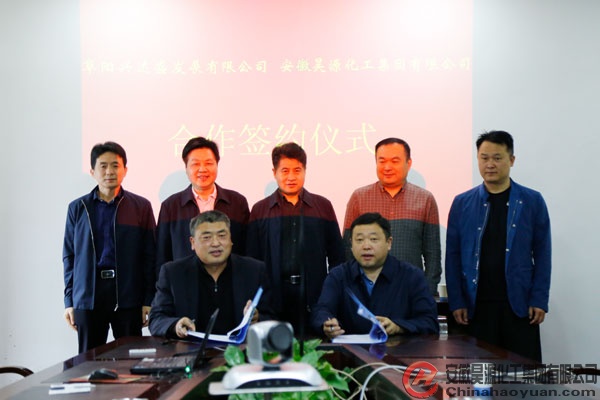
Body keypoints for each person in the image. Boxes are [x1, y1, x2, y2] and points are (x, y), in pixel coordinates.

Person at [445, 130, 551, 362]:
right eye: (484, 158)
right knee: (479, 375)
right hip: (476, 306)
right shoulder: (462, 203)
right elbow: (452, 256)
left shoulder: (532, 201)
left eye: (497, 158)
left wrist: (539, 299)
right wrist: (457, 300)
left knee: (522, 375)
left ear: (511, 160)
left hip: (519, 306)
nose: (490, 164)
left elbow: (543, 254)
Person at [62, 141, 156, 353]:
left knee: (131, 356)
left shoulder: (141, 206)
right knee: (89, 360)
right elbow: (69, 256)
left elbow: (150, 256)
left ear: (125, 170)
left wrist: (148, 299)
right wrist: (69, 301)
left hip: (128, 293)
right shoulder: (78, 208)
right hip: (89, 294)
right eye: (103, 166)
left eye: (115, 165)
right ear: (92, 171)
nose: (109, 172)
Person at [246, 142, 345, 334]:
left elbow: (337, 257)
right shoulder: (260, 210)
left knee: (314, 347)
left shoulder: (323, 206)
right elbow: (251, 259)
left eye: (297, 170)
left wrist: (330, 297)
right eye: (285, 171)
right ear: (274, 172)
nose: (291, 177)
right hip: (272, 299)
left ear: (305, 171)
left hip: (314, 298)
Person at [311, 213, 439, 338]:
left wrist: (398, 327)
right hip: (350, 350)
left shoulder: (412, 276)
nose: (366, 246)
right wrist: (327, 324)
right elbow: (322, 310)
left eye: (373, 239)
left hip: (398, 350)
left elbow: (429, 322)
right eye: (359, 240)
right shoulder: (338, 276)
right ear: (351, 245)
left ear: (389, 243)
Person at [150, 210, 273, 338]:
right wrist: (176, 325)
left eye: (222, 236)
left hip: (239, 348)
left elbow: (271, 316)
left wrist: (257, 318)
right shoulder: (173, 272)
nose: (215, 243)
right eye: (207, 237)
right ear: (192, 242)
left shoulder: (254, 270)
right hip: (191, 348)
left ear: (231, 239)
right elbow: (156, 319)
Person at [343, 137, 441, 296]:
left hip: (411, 291)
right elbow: (348, 250)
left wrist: (427, 292)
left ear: (408, 163)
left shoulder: (425, 199)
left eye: (395, 161)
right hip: (367, 292)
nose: (387, 167)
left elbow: (433, 255)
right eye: (381, 161)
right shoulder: (359, 198)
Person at [156, 137, 249, 272]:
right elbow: (162, 255)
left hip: (229, 279)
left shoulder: (237, 202)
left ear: (217, 165)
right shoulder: (170, 206)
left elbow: (246, 250)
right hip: (185, 279)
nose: (202, 169)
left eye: (209, 163)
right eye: (195, 164)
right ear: (186, 168)